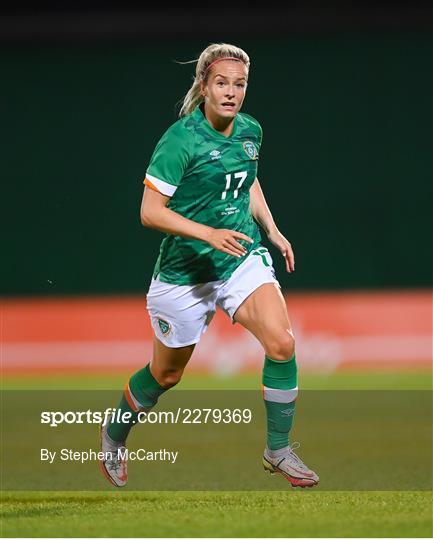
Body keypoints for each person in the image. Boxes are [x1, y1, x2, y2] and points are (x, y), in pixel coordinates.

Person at [99, 42, 319, 489]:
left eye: (239, 84)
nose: (231, 92)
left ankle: (277, 449)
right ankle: (114, 434)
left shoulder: (251, 130)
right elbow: (149, 211)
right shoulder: (181, 139)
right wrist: (207, 233)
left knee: (282, 342)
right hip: (184, 274)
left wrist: (272, 230)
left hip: (239, 259)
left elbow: (247, 180)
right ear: (203, 86)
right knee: (166, 374)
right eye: (221, 82)